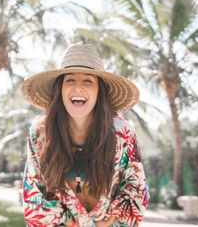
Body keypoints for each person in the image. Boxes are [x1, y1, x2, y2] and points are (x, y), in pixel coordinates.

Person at [22, 44, 149, 226]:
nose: (78, 87)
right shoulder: (39, 134)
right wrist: (68, 222)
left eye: (88, 80)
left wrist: (111, 218)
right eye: (70, 80)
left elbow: (136, 186)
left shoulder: (123, 133)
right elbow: (33, 191)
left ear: (99, 91)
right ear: (60, 89)